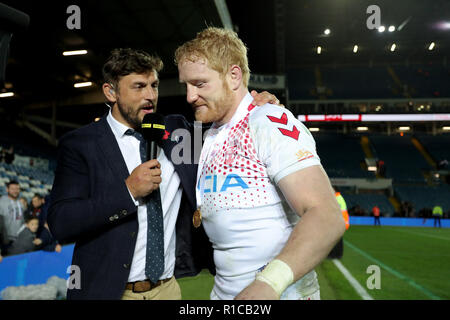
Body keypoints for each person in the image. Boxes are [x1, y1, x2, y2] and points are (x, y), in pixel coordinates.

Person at [48, 48, 278, 300]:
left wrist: (253, 107)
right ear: (110, 92)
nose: (150, 96)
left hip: (167, 290)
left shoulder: (177, 132)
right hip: (109, 292)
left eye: (154, 85)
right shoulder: (81, 144)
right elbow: (62, 223)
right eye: (138, 87)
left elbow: (225, 128)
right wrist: (128, 192)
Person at [176, 27, 345, 300]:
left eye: (199, 84)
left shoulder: (268, 121)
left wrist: (268, 285)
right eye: (186, 85)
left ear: (233, 76)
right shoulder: (209, 136)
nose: (189, 96)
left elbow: (327, 216)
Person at [0, 180, 24, 255]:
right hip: (5, 240)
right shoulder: (1, 202)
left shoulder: (20, 203)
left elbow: (22, 220)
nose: (15, 191)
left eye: (17, 189)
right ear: (7, 189)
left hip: (18, 239)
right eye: (13, 189)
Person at [328, 190, 349, 259]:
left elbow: (338, 210)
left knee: (337, 240)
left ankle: (337, 254)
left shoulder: (337, 198)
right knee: (334, 239)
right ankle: (333, 254)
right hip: (338, 220)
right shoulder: (337, 197)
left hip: (339, 220)